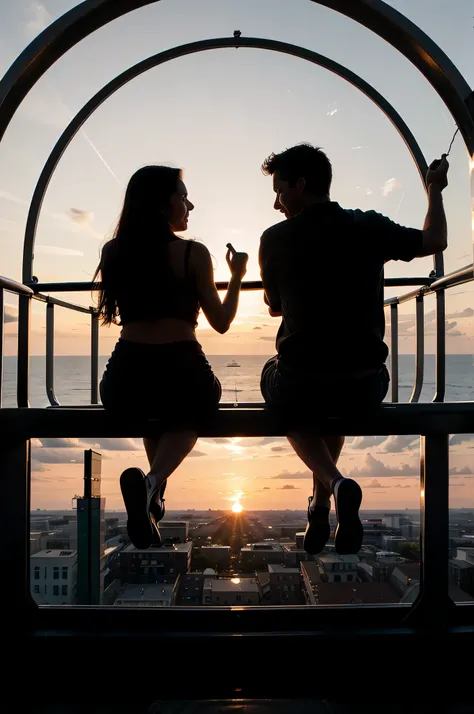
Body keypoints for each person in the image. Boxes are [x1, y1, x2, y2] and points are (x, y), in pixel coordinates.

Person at [259, 143, 448, 555]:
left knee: (285, 387)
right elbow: (436, 239)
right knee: (332, 398)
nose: (276, 203)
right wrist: (434, 188)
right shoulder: (368, 226)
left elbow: (275, 307)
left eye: (279, 191)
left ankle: (334, 485)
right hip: (364, 384)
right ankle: (322, 506)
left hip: (300, 384)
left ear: (302, 185)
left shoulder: (275, 239)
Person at [95, 165, 248, 549]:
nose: (189, 204)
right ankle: (151, 483)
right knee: (190, 411)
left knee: (154, 411)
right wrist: (237, 277)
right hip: (182, 369)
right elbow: (223, 321)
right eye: (182, 197)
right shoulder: (193, 253)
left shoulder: (113, 252)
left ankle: (154, 500)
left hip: (125, 377)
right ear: (163, 205)